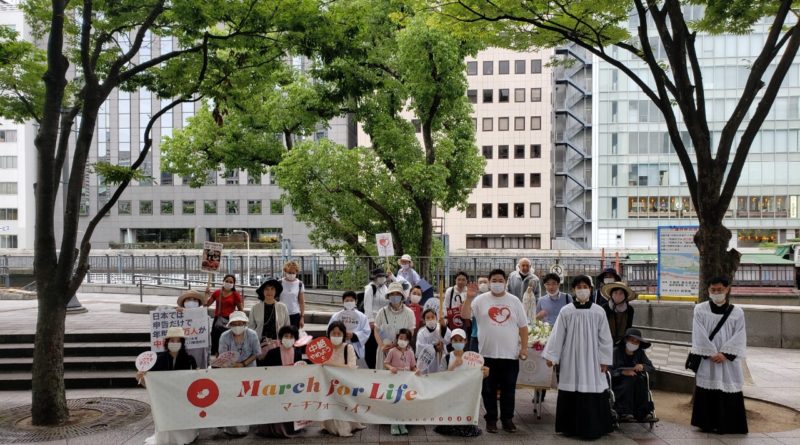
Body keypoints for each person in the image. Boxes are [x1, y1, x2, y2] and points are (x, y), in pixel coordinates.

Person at [542, 274, 614, 439]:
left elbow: (605, 337)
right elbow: (558, 335)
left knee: (593, 387)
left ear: (590, 289)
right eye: (579, 287)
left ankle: (595, 427)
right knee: (572, 387)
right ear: (573, 290)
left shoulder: (598, 311)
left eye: (585, 287)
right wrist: (551, 356)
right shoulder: (566, 311)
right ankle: (570, 428)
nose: (582, 290)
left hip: (593, 358)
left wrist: (605, 359)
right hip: (571, 357)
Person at [461, 269, 528, 434]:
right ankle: (491, 420)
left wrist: (524, 348)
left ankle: (507, 420)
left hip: (510, 355)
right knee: (488, 390)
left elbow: (523, 327)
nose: (497, 283)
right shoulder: (480, 300)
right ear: (489, 282)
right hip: (486, 355)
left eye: (500, 280)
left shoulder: (514, 301)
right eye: (494, 280)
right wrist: (469, 298)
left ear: (505, 282)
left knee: (509, 389)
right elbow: (465, 315)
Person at [690, 277, 748, 434]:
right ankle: (707, 424)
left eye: (720, 290)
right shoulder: (700, 310)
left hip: (728, 361)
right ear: (708, 290)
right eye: (713, 290)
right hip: (708, 359)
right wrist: (710, 353)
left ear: (727, 289)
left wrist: (725, 354)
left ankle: (729, 424)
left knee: (728, 385)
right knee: (708, 386)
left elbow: (740, 335)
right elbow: (698, 333)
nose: (716, 293)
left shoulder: (737, 312)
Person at [139, 327, 198, 445]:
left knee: (185, 435)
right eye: (172, 341)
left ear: (182, 343)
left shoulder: (190, 360)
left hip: (183, 400)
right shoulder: (159, 359)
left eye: (178, 341)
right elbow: (151, 384)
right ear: (167, 342)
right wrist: (142, 377)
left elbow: (194, 381)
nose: (175, 343)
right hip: (165, 400)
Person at [254, 325, 305, 438]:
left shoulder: (297, 352)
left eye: (291, 336)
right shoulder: (273, 352)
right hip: (276, 388)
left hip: (293, 387)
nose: (288, 338)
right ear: (281, 338)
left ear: (295, 339)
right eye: (286, 336)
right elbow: (266, 372)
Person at [321, 321, 366, 437]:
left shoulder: (348, 348)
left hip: (344, 384)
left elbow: (351, 366)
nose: (336, 336)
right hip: (328, 384)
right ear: (328, 334)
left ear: (344, 335)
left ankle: (347, 426)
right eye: (333, 333)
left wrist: (330, 365)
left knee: (345, 405)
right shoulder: (324, 348)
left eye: (339, 333)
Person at [611, 328, 655, 421]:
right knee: (630, 381)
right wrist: (622, 372)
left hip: (636, 380)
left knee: (639, 381)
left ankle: (643, 412)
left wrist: (642, 366)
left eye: (636, 342)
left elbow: (651, 367)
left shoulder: (640, 353)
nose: (634, 344)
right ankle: (625, 412)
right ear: (626, 340)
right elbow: (608, 371)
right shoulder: (616, 352)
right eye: (632, 340)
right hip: (618, 381)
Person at [374, 282, 416, 374]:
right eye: (392, 294)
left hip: (402, 351)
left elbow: (411, 332)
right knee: (383, 378)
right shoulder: (381, 312)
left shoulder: (409, 313)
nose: (394, 296)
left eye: (397, 293)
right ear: (388, 296)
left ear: (402, 295)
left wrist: (396, 345)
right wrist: (382, 346)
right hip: (384, 350)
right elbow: (376, 330)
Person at [383, 328, 417, 435]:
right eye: (401, 338)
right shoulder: (392, 351)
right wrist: (390, 368)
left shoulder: (410, 352)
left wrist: (417, 370)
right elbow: (386, 363)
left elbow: (413, 366)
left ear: (409, 341)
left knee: (404, 401)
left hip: (406, 381)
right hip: (395, 380)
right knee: (395, 400)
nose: (402, 340)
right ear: (397, 338)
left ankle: (402, 423)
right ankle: (394, 424)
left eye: (405, 339)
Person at [249, 279, 290, 365]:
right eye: (266, 289)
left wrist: (285, 342)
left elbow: (287, 326)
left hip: (278, 344)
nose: (269, 292)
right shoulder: (255, 308)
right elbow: (251, 327)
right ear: (262, 291)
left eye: (272, 289)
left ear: (276, 291)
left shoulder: (282, 307)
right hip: (260, 344)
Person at [205, 274, 244, 355]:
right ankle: (215, 358)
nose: (228, 283)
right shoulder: (217, 293)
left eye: (231, 282)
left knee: (228, 341)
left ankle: (227, 358)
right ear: (223, 282)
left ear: (234, 284)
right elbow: (206, 305)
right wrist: (206, 295)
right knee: (216, 340)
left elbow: (241, 310)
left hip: (230, 321)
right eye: (227, 281)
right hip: (217, 320)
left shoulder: (235, 295)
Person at [327, 291, 371, 362]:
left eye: (351, 300)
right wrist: (339, 335)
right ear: (343, 302)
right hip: (339, 345)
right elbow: (329, 330)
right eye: (347, 300)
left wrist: (354, 335)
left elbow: (366, 332)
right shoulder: (336, 316)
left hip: (355, 347)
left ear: (356, 301)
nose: (349, 302)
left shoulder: (362, 317)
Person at [176, 290, 210, 369]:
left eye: (194, 300)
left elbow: (208, 338)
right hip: (181, 349)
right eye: (188, 299)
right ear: (184, 302)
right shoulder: (176, 316)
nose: (191, 301)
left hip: (199, 349)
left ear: (198, 303)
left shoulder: (205, 317)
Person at [363, 267, 388, 369]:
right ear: (375, 277)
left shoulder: (385, 288)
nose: (382, 278)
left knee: (382, 344)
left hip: (384, 321)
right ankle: (372, 366)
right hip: (373, 321)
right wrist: (370, 321)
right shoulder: (370, 288)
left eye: (383, 276)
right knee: (372, 345)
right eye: (380, 276)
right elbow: (367, 305)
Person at [415, 308, 451, 374]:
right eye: (428, 318)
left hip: (440, 357)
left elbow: (448, 340)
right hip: (427, 359)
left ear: (436, 318)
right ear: (424, 320)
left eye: (432, 317)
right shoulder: (421, 333)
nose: (430, 319)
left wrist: (444, 327)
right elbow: (419, 348)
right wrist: (434, 347)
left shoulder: (440, 327)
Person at [279, 260, 306, 329]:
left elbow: (302, 302)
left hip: (295, 315)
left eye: (293, 273)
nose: (291, 274)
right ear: (285, 271)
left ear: (296, 272)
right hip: (281, 314)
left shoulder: (299, 284)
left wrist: (302, 317)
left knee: (294, 337)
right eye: (289, 272)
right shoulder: (279, 283)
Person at [468, 276, 489, 353]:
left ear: (489, 284)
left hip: (489, 336)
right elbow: (468, 314)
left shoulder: (494, 297)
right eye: (481, 282)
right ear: (477, 284)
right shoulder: (473, 297)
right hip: (476, 334)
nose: (483, 284)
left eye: (485, 282)